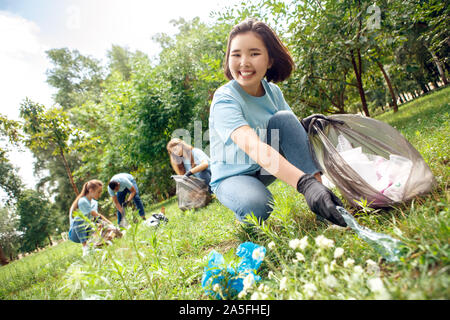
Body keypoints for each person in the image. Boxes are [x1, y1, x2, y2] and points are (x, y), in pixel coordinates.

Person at [208, 18, 347, 227]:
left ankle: (324, 205)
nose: (244, 62)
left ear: (269, 60)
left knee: (285, 118)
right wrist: (303, 184)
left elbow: (290, 135)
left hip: (264, 168)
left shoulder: (273, 92)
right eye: (236, 54)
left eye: (254, 54)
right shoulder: (225, 98)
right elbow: (253, 146)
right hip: (232, 176)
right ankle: (243, 217)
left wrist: (304, 127)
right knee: (258, 205)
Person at [68, 179, 114, 256]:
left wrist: (110, 225)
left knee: (98, 225)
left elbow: (97, 216)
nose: (100, 194)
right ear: (90, 190)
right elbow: (95, 215)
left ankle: (96, 245)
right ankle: (85, 248)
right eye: (98, 192)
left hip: (87, 229)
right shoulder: (83, 201)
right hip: (76, 233)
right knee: (80, 219)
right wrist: (108, 225)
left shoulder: (92, 202)